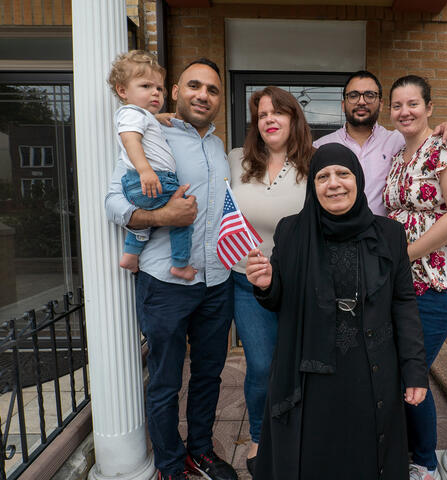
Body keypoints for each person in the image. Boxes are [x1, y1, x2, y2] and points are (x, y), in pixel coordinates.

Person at [245, 143, 429, 480]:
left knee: (366, 455)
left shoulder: (389, 234)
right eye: (323, 176)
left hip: (371, 368)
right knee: (315, 456)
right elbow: (277, 301)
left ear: (357, 180)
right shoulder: (292, 231)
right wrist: (267, 284)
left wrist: (415, 370)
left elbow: (403, 303)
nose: (334, 183)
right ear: (313, 188)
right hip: (312, 373)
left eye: (343, 174)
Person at [105, 58, 238, 480]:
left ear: (218, 100)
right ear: (177, 90)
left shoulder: (218, 147)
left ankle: (200, 451)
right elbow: (115, 203)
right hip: (165, 282)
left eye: (213, 90)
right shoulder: (149, 131)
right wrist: (163, 217)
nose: (204, 95)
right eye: (194, 86)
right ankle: (167, 464)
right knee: (164, 383)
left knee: (208, 376)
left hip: (217, 281)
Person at [383, 75, 447, 480]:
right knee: (396, 370)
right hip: (397, 282)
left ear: (429, 107)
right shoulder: (397, 159)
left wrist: (405, 254)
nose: (405, 111)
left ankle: (423, 463)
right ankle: (404, 453)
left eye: (413, 104)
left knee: (413, 373)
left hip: (435, 282)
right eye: (398, 105)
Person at [226, 86, 312, 475]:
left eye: (279, 113)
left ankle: (303, 433)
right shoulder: (237, 160)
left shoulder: (314, 163)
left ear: (294, 119)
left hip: (301, 285)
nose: (270, 120)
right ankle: (261, 434)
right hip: (248, 283)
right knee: (261, 366)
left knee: (300, 365)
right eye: (262, 115)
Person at [314, 70, 447, 216]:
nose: (361, 101)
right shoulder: (320, 148)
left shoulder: (400, 141)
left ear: (381, 105)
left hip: (382, 238)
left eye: (369, 95)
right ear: (343, 104)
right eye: (353, 95)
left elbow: (426, 138)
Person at [107, 50, 197, 281]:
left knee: (144, 220)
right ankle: (179, 264)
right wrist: (145, 170)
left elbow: (141, 126)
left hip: (140, 183)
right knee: (182, 218)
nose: (155, 92)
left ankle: (130, 255)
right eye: (146, 86)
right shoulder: (130, 114)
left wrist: (156, 118)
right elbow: (130, 140)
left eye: (159, 88)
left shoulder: (140, 115)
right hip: (151, 177)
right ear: (122, 90)